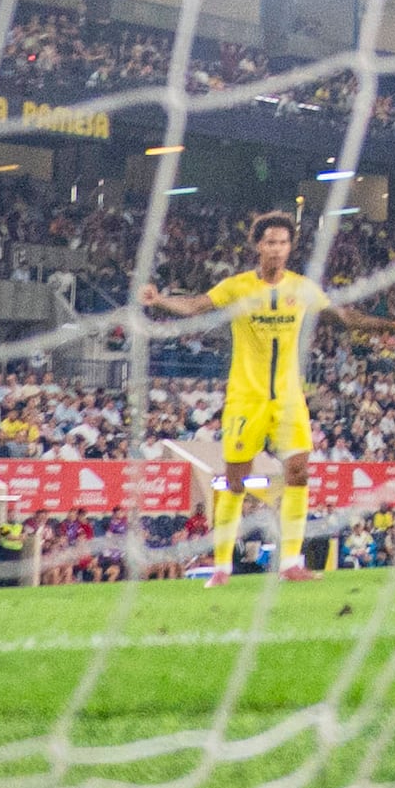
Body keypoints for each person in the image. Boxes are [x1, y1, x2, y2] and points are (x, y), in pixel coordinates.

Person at [146, 210, 327, 580]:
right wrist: (161, 300)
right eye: (270, 242)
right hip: (246, 397)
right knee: (235, 481)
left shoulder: (302, 287)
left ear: (290, 247)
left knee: (298, 472)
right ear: (258, 246)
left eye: (283, 242)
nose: (277, 248)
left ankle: (292, 562)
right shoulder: (238, 286)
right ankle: (222, 566)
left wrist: (386, 326)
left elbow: (343, 315)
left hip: (289, 396)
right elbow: (196, 305)